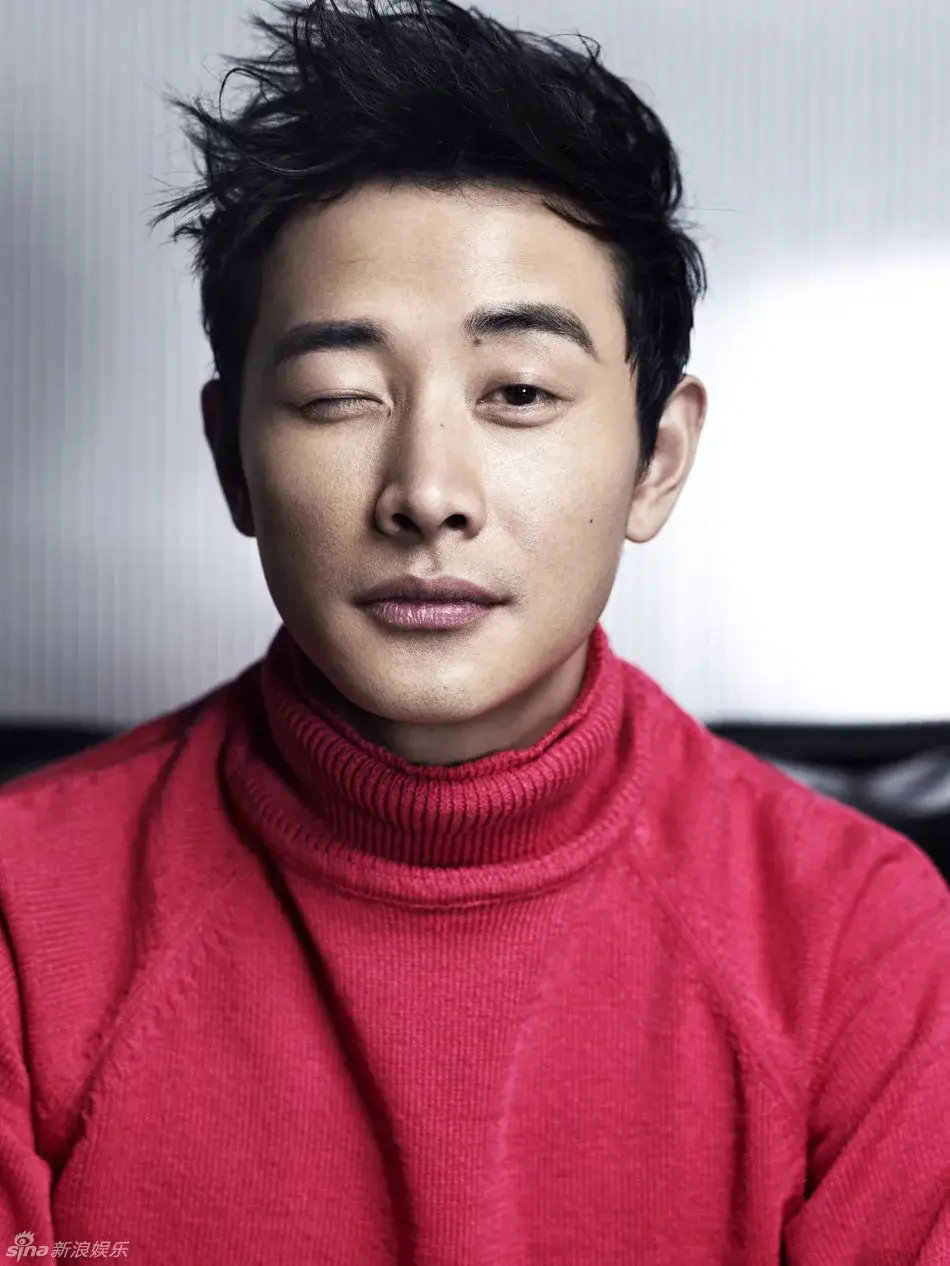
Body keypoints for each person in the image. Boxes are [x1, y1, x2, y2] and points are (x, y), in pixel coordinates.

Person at [1, 0, 948, 1259]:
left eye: (517, 391)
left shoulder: (858, 939)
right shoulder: (23, 919)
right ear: (233, 459)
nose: (427, 492)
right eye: (337, 395)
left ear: (656, 459)